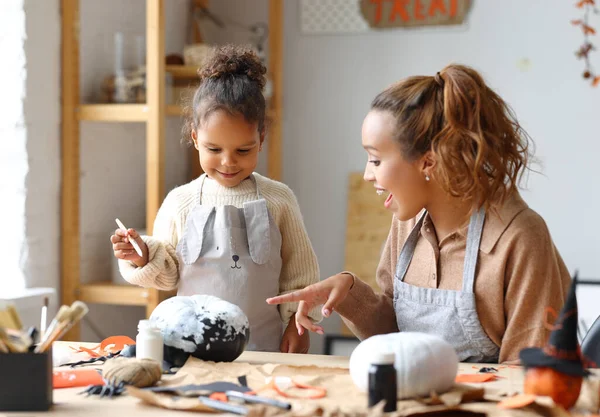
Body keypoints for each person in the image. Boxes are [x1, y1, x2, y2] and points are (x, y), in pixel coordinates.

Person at [267, 64, 571, 363]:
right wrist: (347, 293)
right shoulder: (409, 222)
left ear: (428, 162)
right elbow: (396, 336)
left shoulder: (519, 238)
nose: (366, 175)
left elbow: (534, 374)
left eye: (375, 160)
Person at [111, 45, 321, 354]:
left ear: (261, 138)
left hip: (263, 347)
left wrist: (297, 322)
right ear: (195, 137)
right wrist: (141, 255)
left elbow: (300, 275)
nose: (228, 162)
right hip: (191, 349)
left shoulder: (280, 199)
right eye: (214, 149)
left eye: (243, 150)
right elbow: (168, 273)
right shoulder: (179, 201)